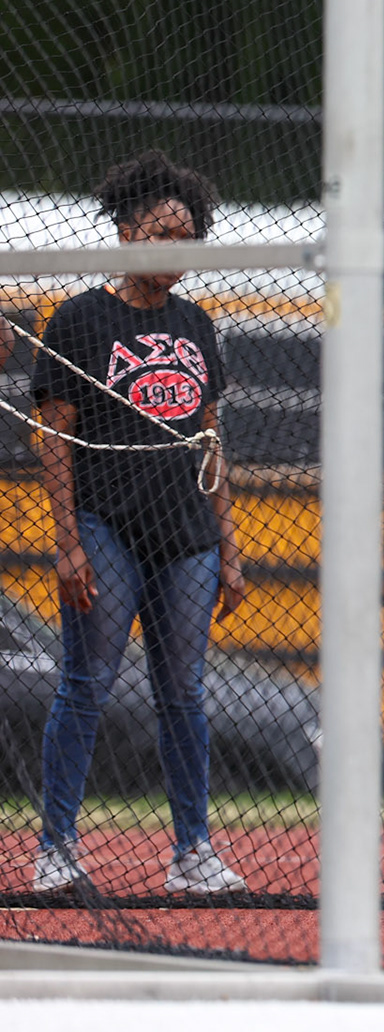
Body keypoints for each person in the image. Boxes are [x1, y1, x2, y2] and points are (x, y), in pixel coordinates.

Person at [31, 151, 249, 894]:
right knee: (87, 681)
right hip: (105, 524)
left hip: (185, 534)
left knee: (184, 693)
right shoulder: (81, 318)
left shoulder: (197, 324)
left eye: (188, 234)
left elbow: (212, 437)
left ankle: (193, 852)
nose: (177, 247)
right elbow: (51, 435)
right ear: (126, 235)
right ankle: (55, 849)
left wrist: (230, 544)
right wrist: (67, 543)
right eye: (163, 231)